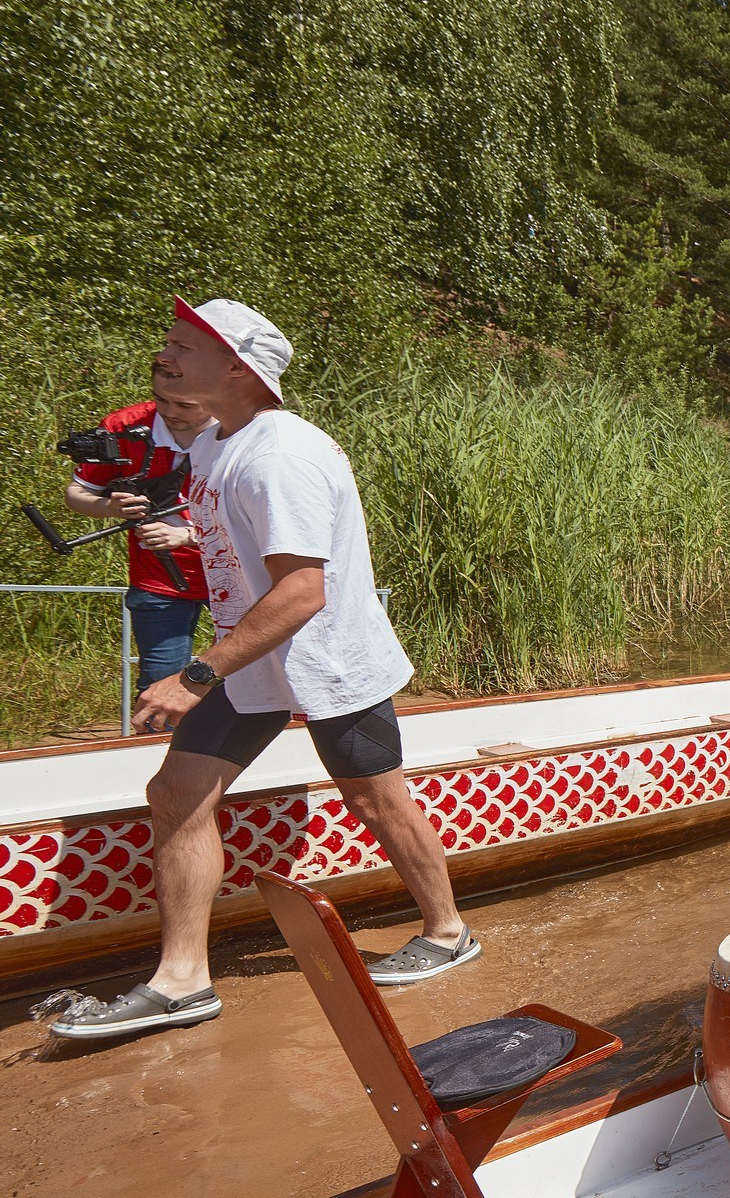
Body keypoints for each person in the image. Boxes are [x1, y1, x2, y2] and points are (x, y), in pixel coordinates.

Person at [46, 299, 477, 1040]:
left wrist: (193, 676)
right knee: (176, 792)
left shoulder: (280, 456)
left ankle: (447, 932)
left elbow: (303, 591)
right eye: (169, 341)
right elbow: (244, 537)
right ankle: (182, 981)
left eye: (186, 345)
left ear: (238, 368)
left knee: (375, 800)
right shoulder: (219, 441)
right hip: (251, 660)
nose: (165, 355)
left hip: (324, 658)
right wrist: (185, 533)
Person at [63, 387, 214, 688]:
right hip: (159, 579)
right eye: (161, 400)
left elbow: (267, 518)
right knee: (158, 687)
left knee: (256, 681)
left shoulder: (246, 428)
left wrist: (187, 535)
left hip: (239, 576)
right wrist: (109, 507)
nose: (170, 412)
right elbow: (76, 493)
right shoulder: (126, 426)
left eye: (185, 404)